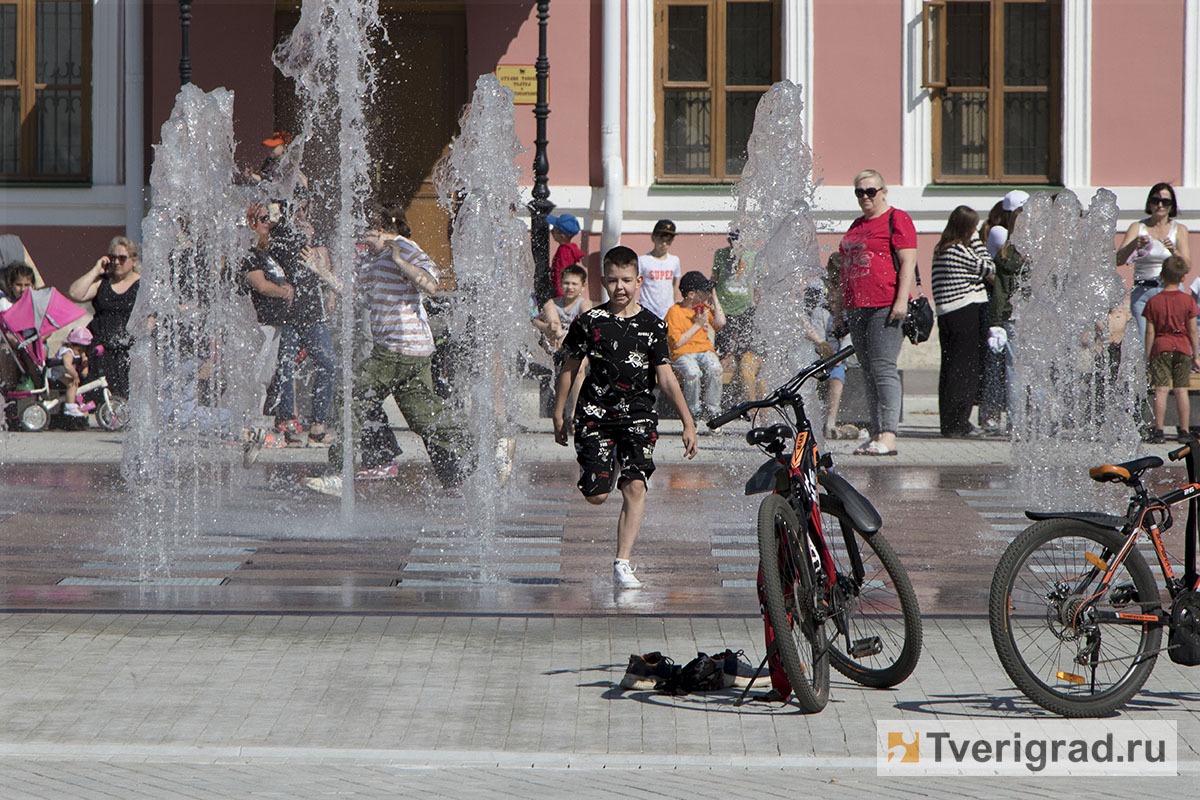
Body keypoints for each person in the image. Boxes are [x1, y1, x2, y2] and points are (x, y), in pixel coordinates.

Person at [302, 202, 473, 496]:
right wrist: (324, 274)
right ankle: (483, 447)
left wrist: (400, 261)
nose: (356, 232)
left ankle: (339, 473)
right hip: (408, 351)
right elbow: (357, 293)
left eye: (361, 226)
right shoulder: (370, 257)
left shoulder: (402, 247)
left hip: (398, 348)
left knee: (351, 393)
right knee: (424, 419)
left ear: (378, 228)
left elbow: (430, 284)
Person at [553, 245, 698, 588]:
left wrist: (688, 423)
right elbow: (570, 368)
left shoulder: (652, 325)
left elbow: (665, 377)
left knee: (635, 486)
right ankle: (607, 466)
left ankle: (622, 563)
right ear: (603, 281)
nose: (620, 287)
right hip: (595, 414)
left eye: (627, 281)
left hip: (638, 416)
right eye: (614, 280)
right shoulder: (589, 322)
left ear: (639, 281)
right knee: (596, 494)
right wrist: (560, 414)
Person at [831, 169, 916, 456]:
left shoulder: (897, 219)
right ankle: (876, 432)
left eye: (871, 191)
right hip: (857, 306)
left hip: (885, 304)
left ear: (883, 192)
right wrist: (840, 307)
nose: (865, 197)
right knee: (866, 371)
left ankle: (889, 434)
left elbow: (907, 262)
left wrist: (901, 301)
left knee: (883, 369)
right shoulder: (856, 225)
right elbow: (845, 269)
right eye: (860, 192)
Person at [271, 201, 339, 445]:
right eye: (295, 209)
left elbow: (324, 261)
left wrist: (330, 294)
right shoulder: (278, 233)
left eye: (303, 209)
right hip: (287, 315)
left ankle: (317, 426)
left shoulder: (313, 231)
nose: (300, 214)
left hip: (312, 314)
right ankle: (288, 425)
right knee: (285, 368)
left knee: (328, 364)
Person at [931, 205, 994, 438]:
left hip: (952, 313)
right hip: (963, 311)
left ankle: (952, 422)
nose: (976, 230)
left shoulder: (942, 248)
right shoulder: (957, 249)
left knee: (952, 368)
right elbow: (988, 266)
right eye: (973, 227)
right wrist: (977, 241)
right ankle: (957, 423)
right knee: (963, 370)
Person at [67, 236, 141, 399]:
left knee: (123, 398)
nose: (116, 262)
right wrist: (96, 270)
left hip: (127, 349)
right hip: (99, 349)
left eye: (122, 258)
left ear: (133, 260)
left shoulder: (142, 285)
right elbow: (75, 293)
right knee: (98, 398)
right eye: (113, 258)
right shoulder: (104, 283)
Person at [1117, 183, 1192, 341]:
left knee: (1170, 341)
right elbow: (1118, 260)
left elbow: (1187, 267)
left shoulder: (1179, 230)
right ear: (1149, 203)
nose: (1160, 205)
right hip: (1143, 291)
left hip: (1171, 291)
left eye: (1165, 202)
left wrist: (1174, 251)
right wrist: (1133, 245)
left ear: (1172, 206)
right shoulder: (1138, 227)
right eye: (1155, 200)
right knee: (1145, 343)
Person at [986, 191, 1031, 434]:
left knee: (1014, 369)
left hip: (1013, 314)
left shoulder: (1006, 250)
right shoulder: (1041, 250)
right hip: (1035, 314)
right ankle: (1035, 421)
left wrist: (996, 320)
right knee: (1035, 369)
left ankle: (1017, 424)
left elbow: (1000, 291)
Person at [1142, 256, 1199, 443]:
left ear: (1162, 275)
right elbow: (1192, 330)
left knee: (1161, 389)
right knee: (1181, 389)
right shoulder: (1187, 301)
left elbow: (1150, 331)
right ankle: (1183, 430)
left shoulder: (1154, 301)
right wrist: (1196, 354)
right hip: (1182, 347)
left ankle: (1159, 430)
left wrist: (1148, 354)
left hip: (1161, 346)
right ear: (1183, 278)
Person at [665, 270, 725, 422]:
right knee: (693, 373)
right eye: (704, 291)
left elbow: (720, 323)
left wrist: (714, 296)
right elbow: (677, 343)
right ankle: (693, 413)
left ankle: (714, 411)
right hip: (682, 353)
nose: (706, 293)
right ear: (691, 295)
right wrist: (697, 325)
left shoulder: (703, 308)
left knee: (715, 369)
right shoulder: (674, 312)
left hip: (704, 351)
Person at [711, 231, 762, 403]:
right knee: (724, 354)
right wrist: (714, 303)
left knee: (744, 354)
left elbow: (760, 282)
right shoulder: (721, 254)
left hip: (746, 308)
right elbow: (715, 279)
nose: (735, 245)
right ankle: (722, 400)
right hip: (726, 310)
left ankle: (743, 398)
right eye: (731, 241)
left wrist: (758, 304)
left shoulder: (753, 256)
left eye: (738, 242)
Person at [637, 219, 682, 320]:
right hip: (648, 310)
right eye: (661, 239)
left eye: (668, 240)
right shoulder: (643, 260)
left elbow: (674, 286)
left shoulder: (674, 260)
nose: (664, 244)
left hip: (668, 311)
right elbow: (635, 284)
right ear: (653, 238)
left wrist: (675, 307)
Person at [52, 327, 93, 418]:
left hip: (65, 374)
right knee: (72, 384)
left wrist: (85, 363)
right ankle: (70, 407)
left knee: (75, 384)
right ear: (71, 344)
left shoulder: (75, 350)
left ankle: (76, 402)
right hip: (57, 375)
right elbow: (68, 366)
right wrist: (75, 375)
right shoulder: (67, 352)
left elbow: (84, 357)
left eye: (83, 350)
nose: (80, 353)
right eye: (79, 350)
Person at [547, 213, 585, 298]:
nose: (552, 232)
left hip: (560, 293)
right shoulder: (569, 249)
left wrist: (561, 295)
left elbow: (561, 272)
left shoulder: (564, 251)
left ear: (562, 236)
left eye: (554, 230)